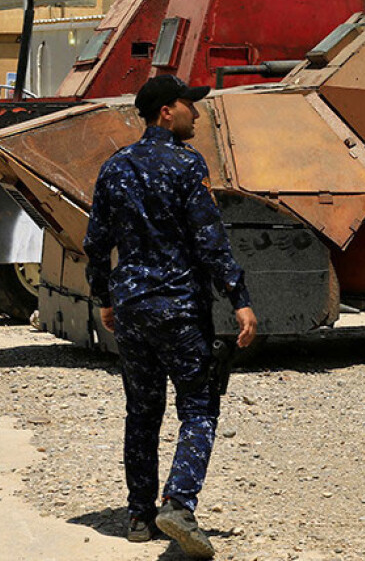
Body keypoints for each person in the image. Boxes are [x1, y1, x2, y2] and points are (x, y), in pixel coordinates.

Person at [83, 74, 258, 559]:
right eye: (189, 106)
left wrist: (105, 297)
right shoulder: (186, 164)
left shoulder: (115, 166)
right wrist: (238, 297)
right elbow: (209, 239)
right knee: (198, 408)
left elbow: (96, 242)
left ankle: (139, 514)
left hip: (133, 309)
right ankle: (178, 504)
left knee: (142, 411)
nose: (196, 114)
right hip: (179, 307)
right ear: (166, 111)